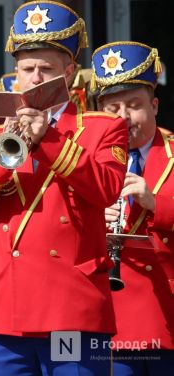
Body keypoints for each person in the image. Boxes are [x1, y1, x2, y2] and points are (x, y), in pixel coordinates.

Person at [0, 0, 129, 375]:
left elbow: (107, 190)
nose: (34, 78)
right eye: (26, 69)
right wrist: (3, 156)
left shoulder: (101, 128)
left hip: (71, 308)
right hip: (2, 312)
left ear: (69, 72)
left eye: (45, 69)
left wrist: (46, 139)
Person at [93, 41, 173, 375]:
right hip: (109, 318)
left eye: (134, 105)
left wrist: (154, 202)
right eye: (113, 108)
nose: (123, 118)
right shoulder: (83, 160)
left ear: (154, 106)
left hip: (166, 312)